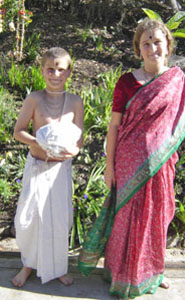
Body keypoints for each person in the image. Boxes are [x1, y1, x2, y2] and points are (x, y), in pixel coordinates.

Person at [78, 18, 185, 298]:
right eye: (146, 43)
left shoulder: (177, 81)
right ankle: (121, 273)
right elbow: (114, 126)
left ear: (167, 45)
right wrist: (108, 166)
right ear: (138, 49)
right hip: (128, 161)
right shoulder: (126, 82)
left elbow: (184, 119)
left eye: (157, 41)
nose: (152, 47)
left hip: (161, 164)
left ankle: (155, 272)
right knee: (126, 219)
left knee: (158, 217)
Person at [12, 47, 84, 287]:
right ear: (42, 70)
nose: (55, 74)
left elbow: (80, 139)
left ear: (69, 72)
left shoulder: (75, 102)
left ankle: (57, 267)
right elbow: (18, 131)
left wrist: (73, 150)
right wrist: (37, 142)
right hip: (37, 167)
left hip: (60, 170)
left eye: (60, 69)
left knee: (59, 219)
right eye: (50, 69)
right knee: (30, 219)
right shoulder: (35, 98)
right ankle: (28, 265)